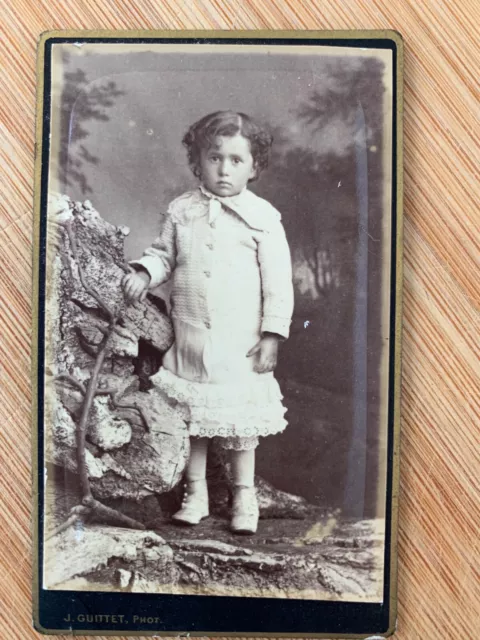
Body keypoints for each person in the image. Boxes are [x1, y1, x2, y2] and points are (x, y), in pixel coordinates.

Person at [123, 111, 294, 534]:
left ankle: (244, 498)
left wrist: (272, 334)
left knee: (238, 425)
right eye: (215, 157)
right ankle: (195, 493)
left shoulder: (263, 217)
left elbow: (278, 283)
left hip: (241, 344)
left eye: (237, 160)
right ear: (197, 161)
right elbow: (165, 253)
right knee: (193, 420)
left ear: (254, 167)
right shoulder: (182, 210)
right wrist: (145, 272)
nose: (224, 168)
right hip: (191, 336)